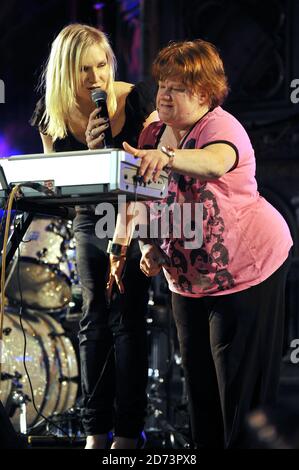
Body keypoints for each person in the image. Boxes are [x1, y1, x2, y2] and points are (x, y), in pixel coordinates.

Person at [108, 39, 293, 448]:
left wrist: (169, 158)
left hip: (248, 270)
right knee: (201, 396)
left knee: (240, 399)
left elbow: (214, 162)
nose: (164, 95)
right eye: (162, 85)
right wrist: (145, 247)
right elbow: (142, 196)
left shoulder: (220, 126)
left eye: (178, 88)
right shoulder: (153, 132)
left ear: (205, 94)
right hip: (188, 282)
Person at [30, 23, 158, 449]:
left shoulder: (138, 97)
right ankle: (95, 430)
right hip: (90, 218)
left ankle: (128, 432)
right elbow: (56, 189)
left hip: (136, 213)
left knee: (129, 319)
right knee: (94, 321)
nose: (96, 77)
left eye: (101, 64)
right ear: (67, 71)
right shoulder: (54, 115)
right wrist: (89, 156)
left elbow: (162, 164)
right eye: (84, 69)